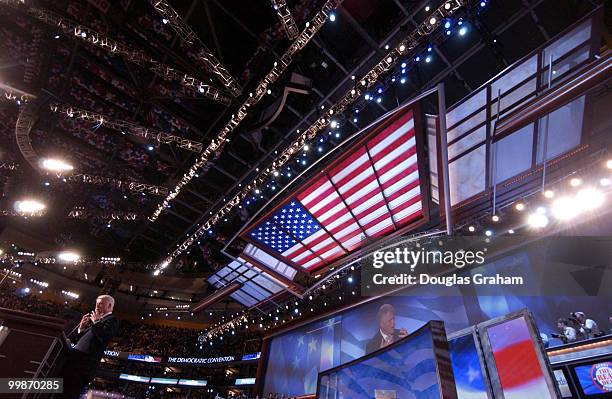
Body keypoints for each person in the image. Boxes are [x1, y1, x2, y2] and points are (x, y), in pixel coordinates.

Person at [59, 295, 119, 398]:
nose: (96, 306)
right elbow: (81, 340)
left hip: (82, 367)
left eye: (100, 303)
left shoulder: (112, 320)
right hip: (73, 362)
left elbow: (104, 336)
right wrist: (81, 328)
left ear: (109, 305)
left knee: (69, 394)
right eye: (96, 303)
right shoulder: (97, 322)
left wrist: (96, 322)